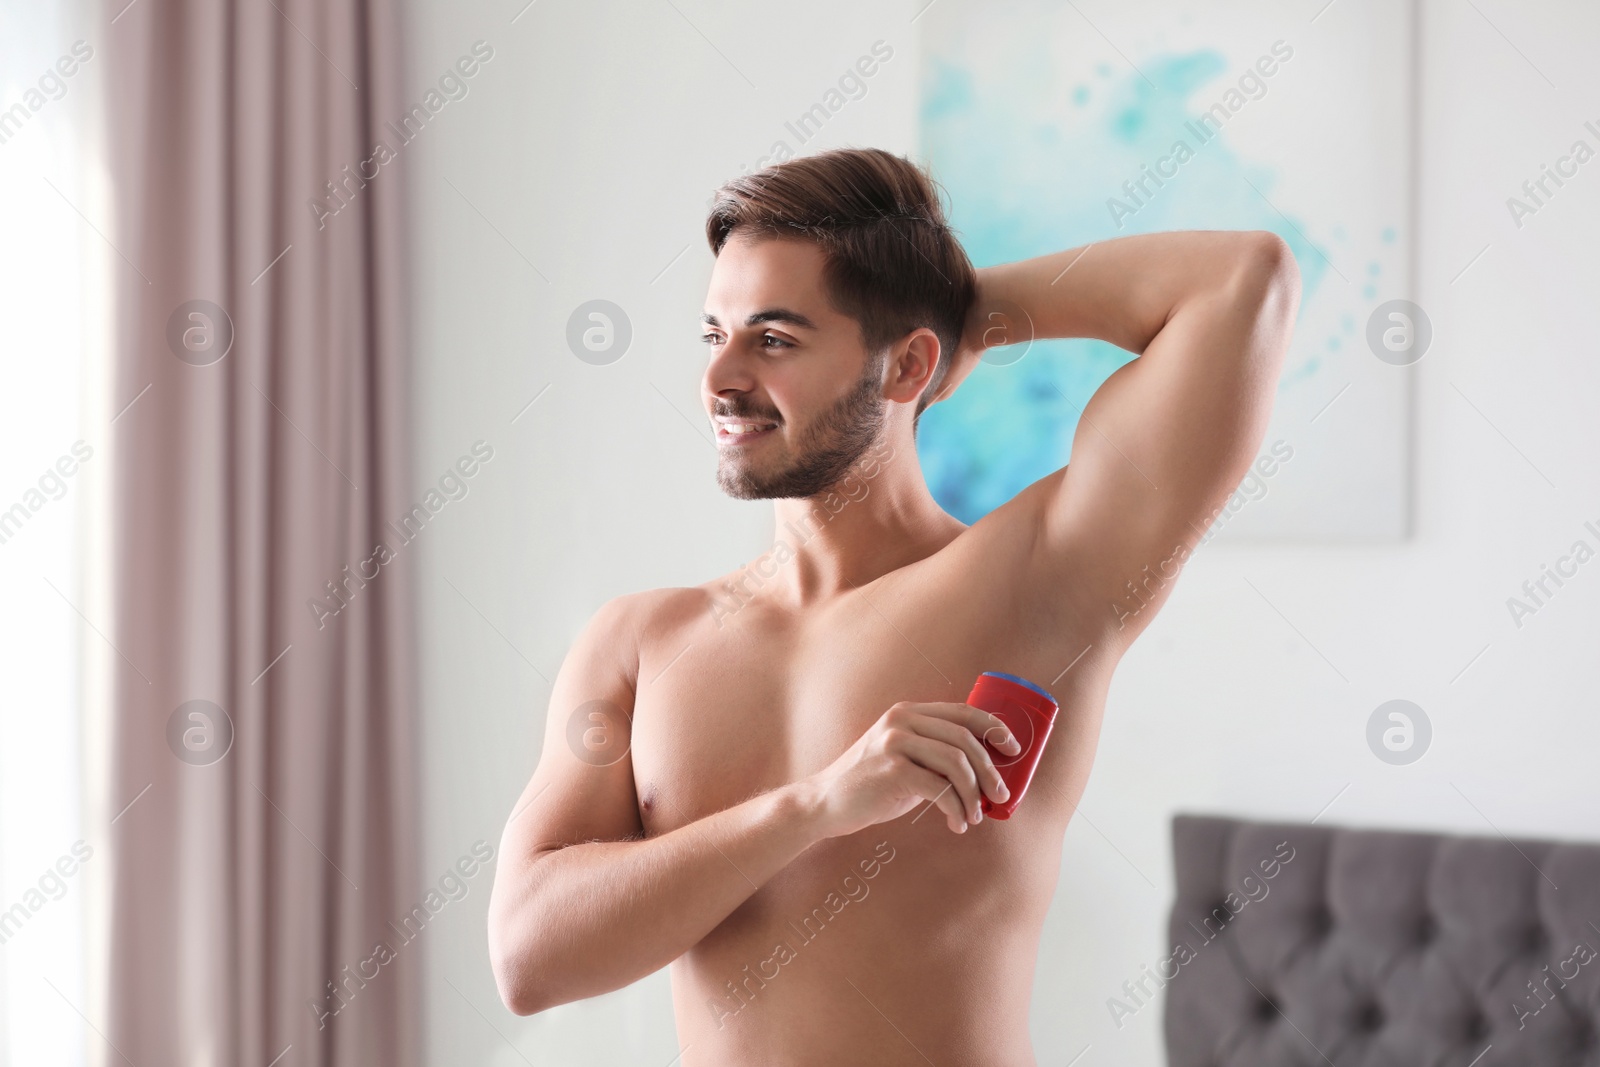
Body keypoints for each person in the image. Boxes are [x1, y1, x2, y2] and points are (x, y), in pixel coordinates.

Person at [487, 146, 1300, 1065]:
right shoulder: (641, 643)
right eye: (713, 335)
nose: (720, 380)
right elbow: (529, 958)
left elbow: (1242, 280)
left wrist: (954, 318)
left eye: (775, 338)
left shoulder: (1046, 575)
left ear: (909, 366)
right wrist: (817, 806)